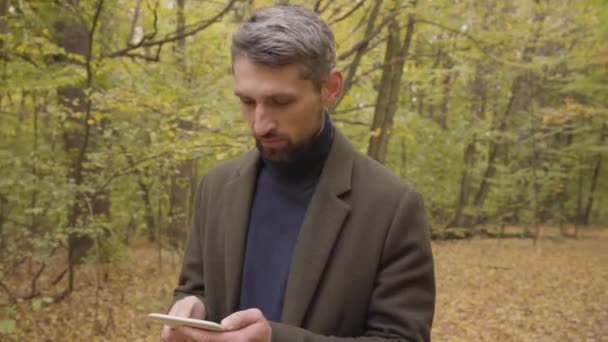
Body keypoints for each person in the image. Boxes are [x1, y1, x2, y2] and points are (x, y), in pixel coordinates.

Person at [161, 4, 435, 342]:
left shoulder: (392, 207)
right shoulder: (215, 187)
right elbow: (196, 287)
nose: (260, 124)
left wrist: (275, 340)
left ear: (330, 88)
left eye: (281, 102)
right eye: (247, 102)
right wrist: (190, 307)